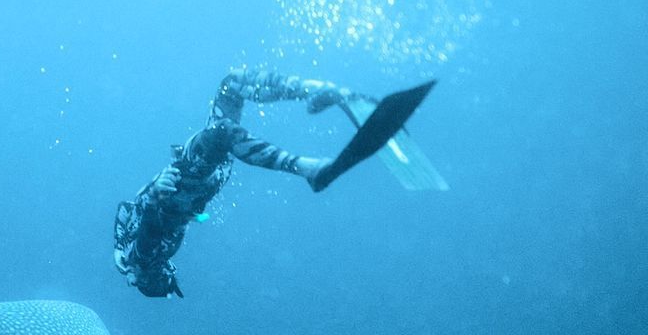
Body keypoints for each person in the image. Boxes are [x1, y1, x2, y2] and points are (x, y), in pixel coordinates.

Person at [113, 66, 434, 297]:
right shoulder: (143, 261)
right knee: (223, 132)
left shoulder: (135, 261)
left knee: (232, 83)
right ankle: (309, 169)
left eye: (163, 279)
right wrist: (157, 197)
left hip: (190, 175)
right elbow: (151, 230)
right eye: (162, 277)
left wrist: (156, 195)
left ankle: (321, 91)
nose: (166, 274)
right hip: (190, 181)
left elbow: (143, 231)